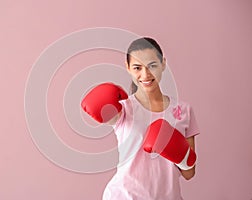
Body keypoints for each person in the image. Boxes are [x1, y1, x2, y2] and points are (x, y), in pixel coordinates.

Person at [81, 37, 200, 200]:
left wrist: (180, 153)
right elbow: (100, 111)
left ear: (163, 63)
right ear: (128, 68)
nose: (145, 74)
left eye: (152, 65)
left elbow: (189, 173)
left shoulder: (183, 110)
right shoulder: (123, 108)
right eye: (137, 67)